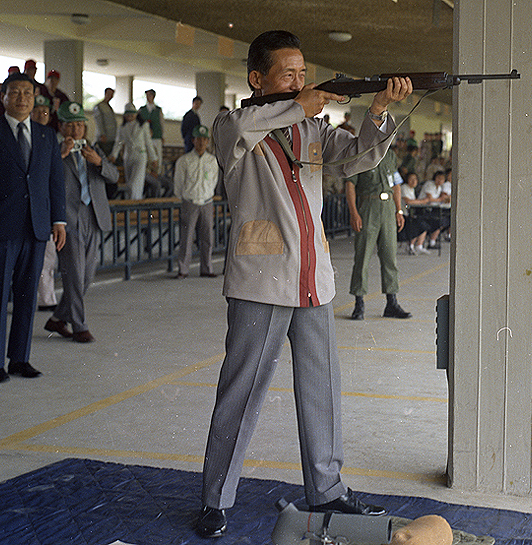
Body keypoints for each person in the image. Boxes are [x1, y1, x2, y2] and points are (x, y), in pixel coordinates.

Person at [198, 29, 412, 539]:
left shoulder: (312, 130)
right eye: (288, 74)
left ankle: (328, 489)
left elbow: (360, 155)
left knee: (322, 389)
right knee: (241, 391)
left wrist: (379, 110)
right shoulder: (233, 126)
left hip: (312, 278)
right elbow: (242, 130)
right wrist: (301, 104)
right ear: (257, 79)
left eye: (303, 73)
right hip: (261, 279)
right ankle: (215, 498)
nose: (299, 82)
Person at [0, 71, 66, 384]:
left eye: (27, 92)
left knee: (27, 296)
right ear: (3, 97)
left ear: (35, 97)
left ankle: (20, 358)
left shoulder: (47, 134)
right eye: (15, 92)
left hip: (36, 227)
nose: (22, 97)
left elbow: (54, 181)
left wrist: (58, 220)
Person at [44, 102, 116, 343]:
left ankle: (57, 319)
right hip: (67, 220)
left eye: (79, 125)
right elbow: (42, 178)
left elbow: (114, 176)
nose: (75, 130)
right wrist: (59, 156)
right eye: (70, 125)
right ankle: (79, 326)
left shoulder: (94, 150)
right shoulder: (53, 150)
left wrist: (99, 162)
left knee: (86, 276)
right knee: (74, 275)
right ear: (62, 127)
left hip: (93, 216)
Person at [345, 150, 412, 320]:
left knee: (390, 257)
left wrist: (399, 210)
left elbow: (396, 184)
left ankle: (392, 302)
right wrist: (354, 213)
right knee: (362, 256)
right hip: (368, 206)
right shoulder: (360, 153)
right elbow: (350, 184)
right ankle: (359, 304)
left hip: (388, 209)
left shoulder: (390, 155)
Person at [174, 124, 218, 279]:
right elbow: (178, 184)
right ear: (193, 140)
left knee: (207, 237)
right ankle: (183, 269)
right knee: (186, 237)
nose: (201, 142)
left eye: (204, 139)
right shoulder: (184, 161)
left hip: (206, 202)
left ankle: (207, 268)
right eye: (198, 139)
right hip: (190, 202)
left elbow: (213, 181)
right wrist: (186, 197)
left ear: (207, 141)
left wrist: (207, 195)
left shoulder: (212, 161)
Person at [31, 95, 57, 312]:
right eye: (37, 110)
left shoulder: (52, 138)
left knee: (48, 257)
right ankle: (41, 298)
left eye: (45, 112)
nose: (41, 115)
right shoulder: (23, 135)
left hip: (45, 208)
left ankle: (46, 298)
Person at [110, 103, 156, 200]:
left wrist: (153, 158)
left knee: (135, 183)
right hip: (128, 157)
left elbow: (148, 143)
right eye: (128, 115)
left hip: (140, 156)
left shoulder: (143, 125)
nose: (130, 117)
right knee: (129, 182)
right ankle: (129, 205)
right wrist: (114, 154)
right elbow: (118, 143)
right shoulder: (122, 128)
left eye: (132, 115)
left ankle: (135, 206)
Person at [397, 172, 431, 255]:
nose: (413, 181)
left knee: (424, 223)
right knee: (419, 225)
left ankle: (418, 246)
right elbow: (408, 201)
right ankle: (411, 246)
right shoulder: (404, 187)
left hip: (410, 214)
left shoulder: (412, 189)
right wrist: (424, 201)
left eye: (415, 179)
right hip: (403, 215)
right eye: (411, 179)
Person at [139, 89, 165, 173]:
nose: (148, 97)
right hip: (145, 137)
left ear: (153, 96)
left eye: (149, 95)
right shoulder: (141, 109)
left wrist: (163, 136)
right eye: (147, 95)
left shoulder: (158, 110)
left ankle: (157, 173)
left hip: (156, 136)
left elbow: (162, 123)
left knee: (158, 155)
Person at [92, 87, 117, 156]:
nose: (110, 96)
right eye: (109, 94)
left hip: (111, 137)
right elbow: (98, 121)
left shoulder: (109, 107)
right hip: (103, 138)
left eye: (112, 94)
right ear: (105, 94)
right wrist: (102, 134)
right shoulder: (99, 106)